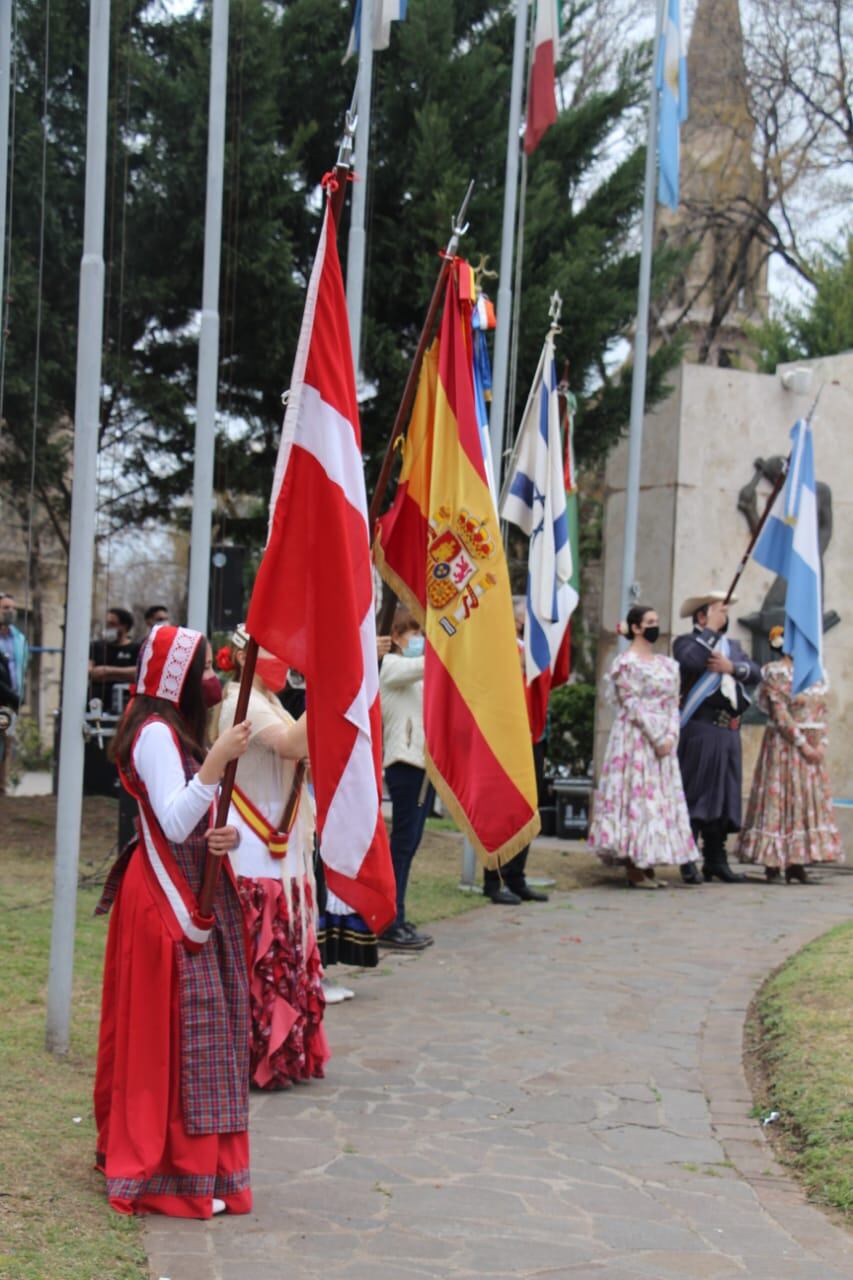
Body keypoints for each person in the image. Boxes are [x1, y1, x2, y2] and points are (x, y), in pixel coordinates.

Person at [93, 624, 253, 1218]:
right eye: (199, 671)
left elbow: (188, 818)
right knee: (177, 1034)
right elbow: (175, 819)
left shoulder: (164, 729)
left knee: (192, 1032)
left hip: (180, 886)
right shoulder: (156, 734)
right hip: (164, 900)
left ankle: (194, 1166)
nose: (208, 681)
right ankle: (171, 1169)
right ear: (176, 678)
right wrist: (215, 762)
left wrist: (224, 832)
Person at [216, 626, 329, 1088]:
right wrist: (331, 684)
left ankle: (284, 1052)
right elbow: (290, 744)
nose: (285, 662)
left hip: (282, 843)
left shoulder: (271, 703)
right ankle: (256, 1054)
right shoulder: (238, 706)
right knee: (264, 952)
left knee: (289, 947)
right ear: (244, 657)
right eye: (276, 653)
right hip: (254, 845)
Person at [588, 604, 697, 886]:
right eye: (649, 621)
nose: (654, 626)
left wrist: (671, 736)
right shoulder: (625, 664)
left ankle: (648, 863)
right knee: (636, 798)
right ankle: (633, 865)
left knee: (657, 801)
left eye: (657, 620)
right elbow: (631, 703)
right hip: (636, 738)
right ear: (635, 627)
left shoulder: (667, 665)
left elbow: (674, 704)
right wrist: (657, 737)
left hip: (663, 741)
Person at [739, 626, 842, 882]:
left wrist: (821, 744)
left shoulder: (815, 673)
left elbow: (822, 711)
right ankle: (773, 863)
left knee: (804, 802)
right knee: (781, 798)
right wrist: (802, 743)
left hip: (811, 750)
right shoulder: (776, 672)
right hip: (786, 747)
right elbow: (779, 713)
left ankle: (798, 861)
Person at [673, 590, 761, 883]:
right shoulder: (686, 643)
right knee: (696, 794)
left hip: (728, 730)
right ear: (702, 615)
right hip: (700, 729)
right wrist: (709, 630)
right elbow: (692, 662)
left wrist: (731, 668)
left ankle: (716, 858)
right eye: (719, 611)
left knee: (724, 797)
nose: (726, 616)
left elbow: (754, 672)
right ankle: (687, 858)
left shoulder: (731, 647)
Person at [484, 598, 549, 905]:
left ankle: (516, 875)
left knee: (527, 805)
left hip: (528, 734)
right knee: (499, 807)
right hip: (502, 737)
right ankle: (493, 878)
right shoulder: (497, 647)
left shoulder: (529, 649)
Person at [378, 607, 434, 951]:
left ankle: (398, 913)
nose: (419, 640)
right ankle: (389, 920)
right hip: (404, 763)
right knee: (402, 843)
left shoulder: (417, 674)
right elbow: (421, 665)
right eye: (413, 633)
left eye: (421, 633)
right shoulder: (392, 667)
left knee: (410, 844)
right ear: (396, 638)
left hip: (422, 765)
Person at [0, 593, 27, 795]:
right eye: (5, 608)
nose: (10, 612)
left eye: (13, 608)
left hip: (10, 702)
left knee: (7, 743)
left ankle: (2, 786)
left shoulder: (19, 638)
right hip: (4, 696)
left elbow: (22, 668)